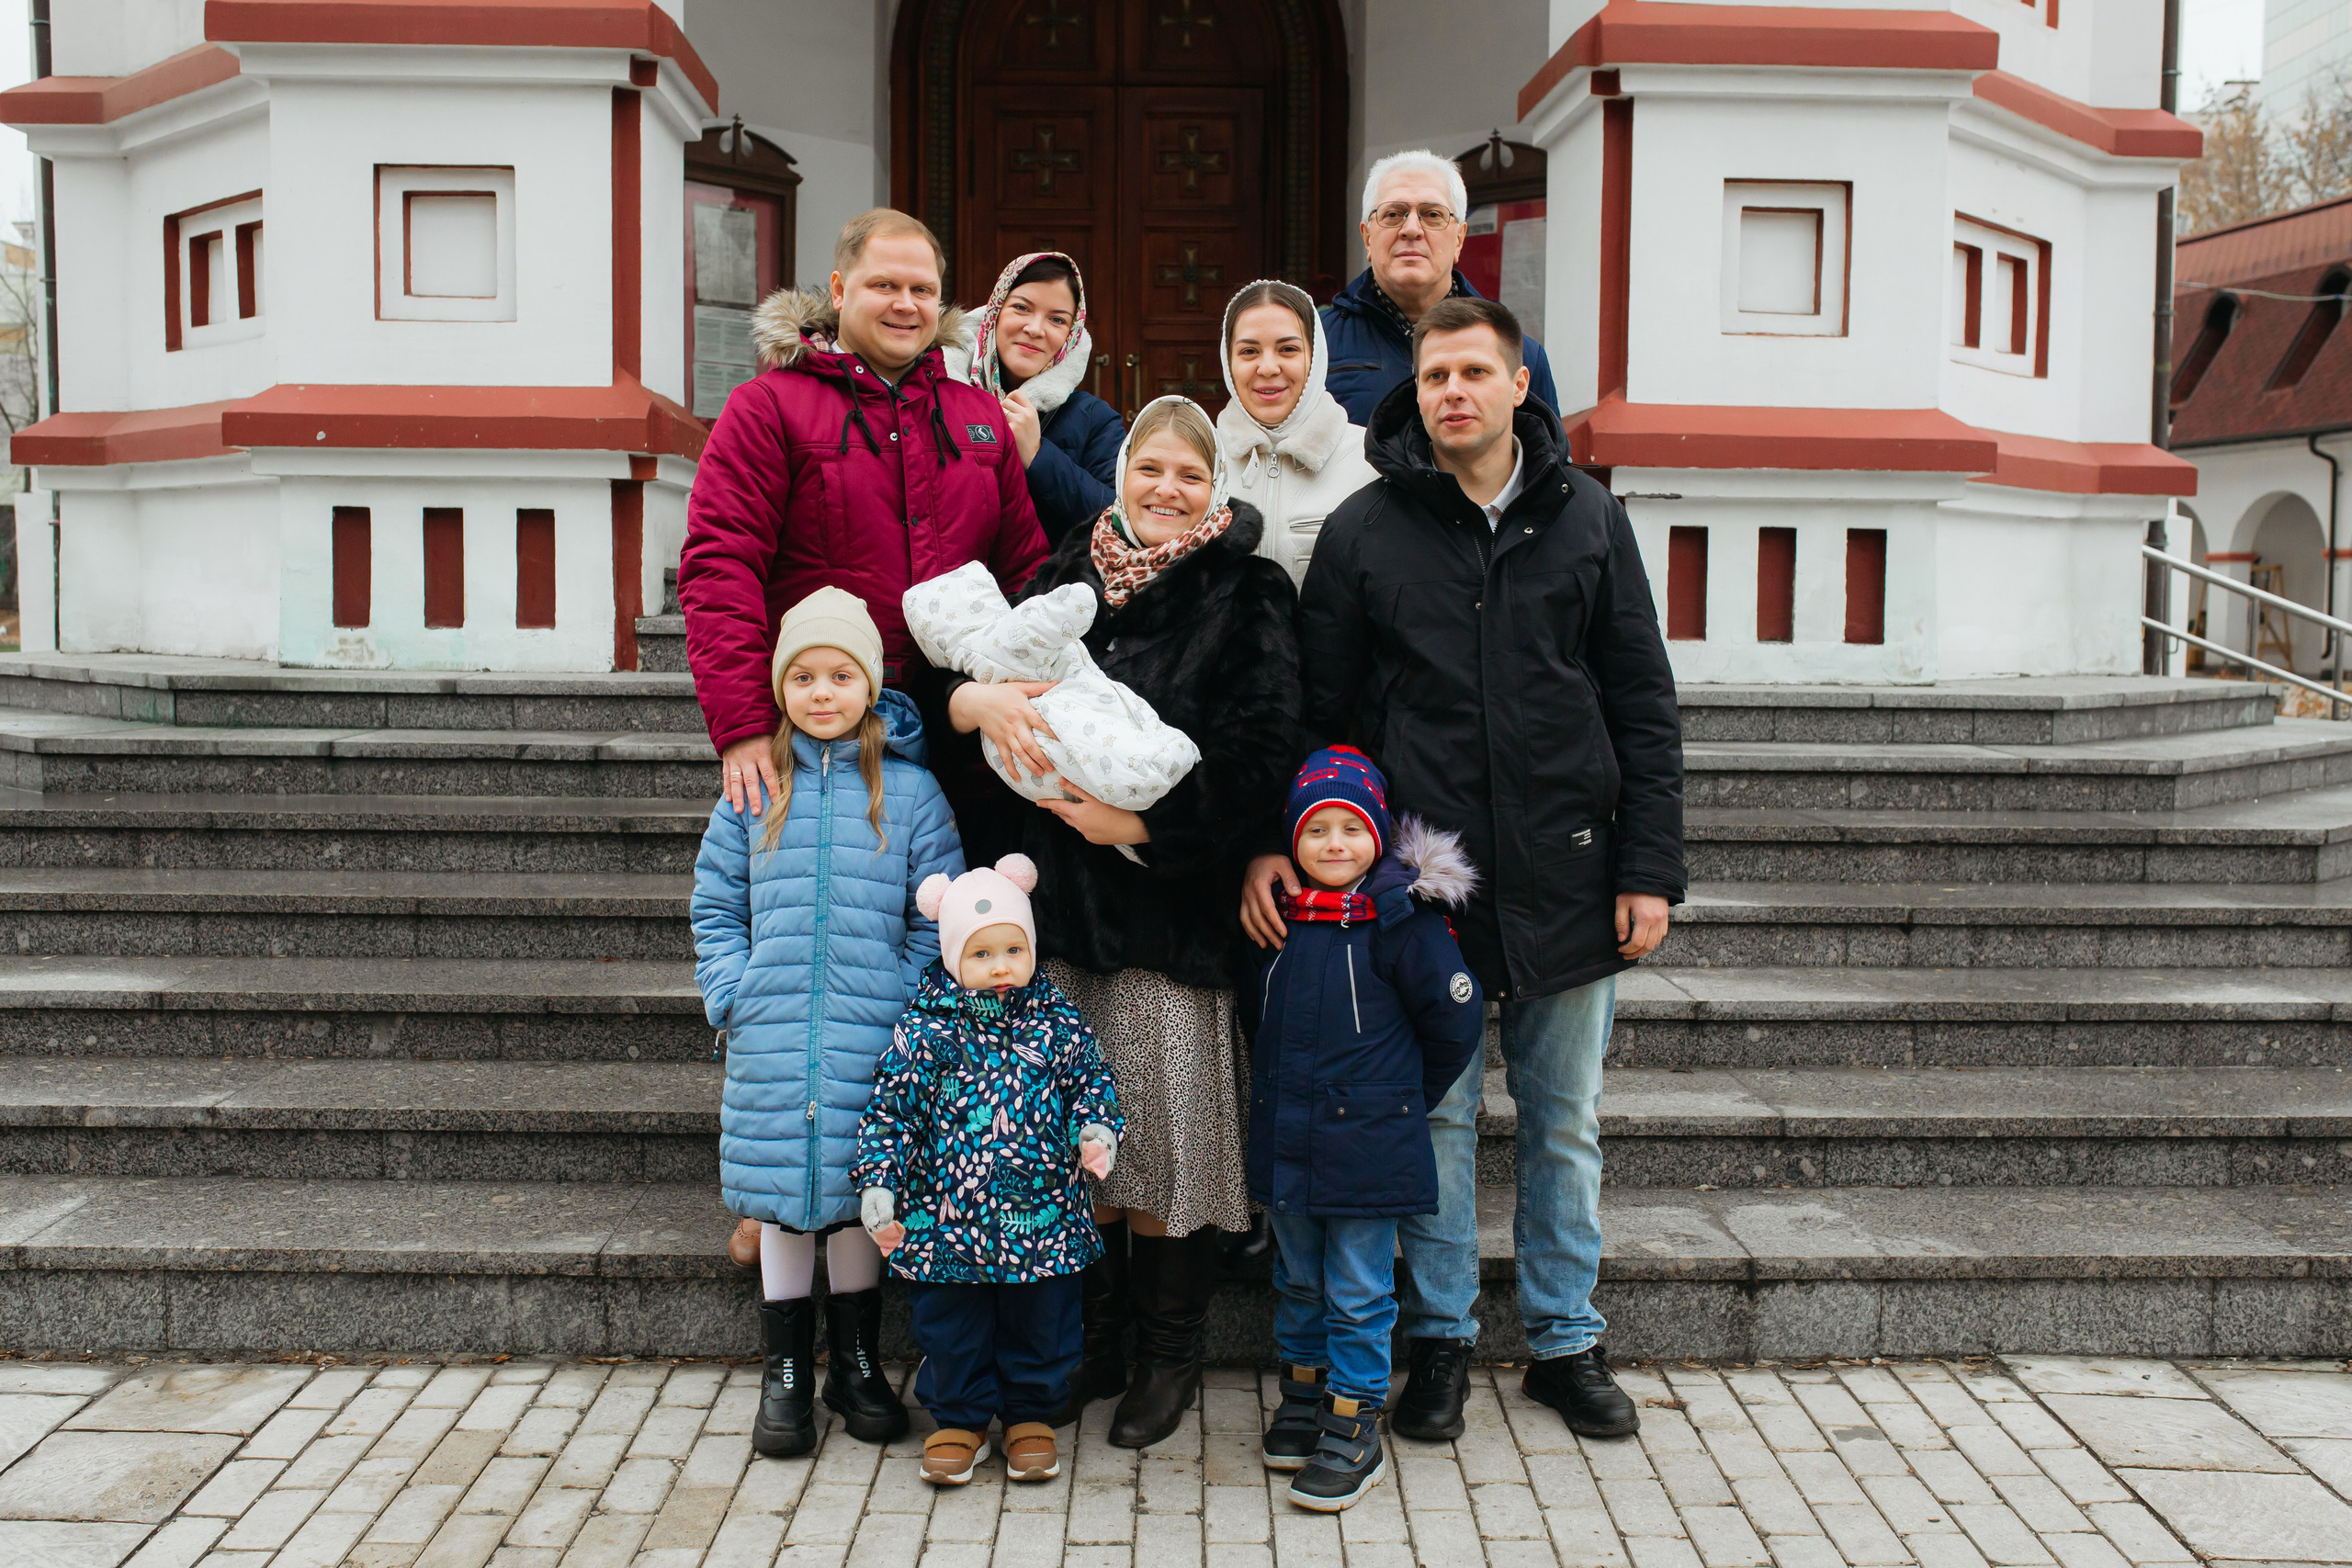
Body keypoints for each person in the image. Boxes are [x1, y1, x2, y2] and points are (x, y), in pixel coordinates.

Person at [1242, 298, 1684, 1441]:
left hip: (1571, 875)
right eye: (1436, 374)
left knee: (1563, 1120)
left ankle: (1563, 1341)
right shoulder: (1367, 530)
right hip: (1416, 887)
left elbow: (1640, 701)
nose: (1454, 392)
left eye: (1475, 372)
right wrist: (1315, 858)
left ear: (1518, 385)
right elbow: (1326, 718)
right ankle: (1437, 1342)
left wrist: (1649, 868)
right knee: (1432, 1122)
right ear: (1414, 390)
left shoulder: (1588, 519)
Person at [947, 396, 1302, 1450]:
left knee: (1165, 1148)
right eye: (1149, 468)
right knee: (1076, 1151)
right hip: (1054, 920)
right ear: (1119, 477)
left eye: (1189, 475)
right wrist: (975, 711)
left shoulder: (1249, 591)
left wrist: (1139, 823)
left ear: (1216, 489)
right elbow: (985, 691)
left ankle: (1166, 1355)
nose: (1165, 488)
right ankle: (1092, 1338)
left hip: (1171, 915)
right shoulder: (1063, 577)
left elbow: (1260, 753)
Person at [690, 588, 966, 1460]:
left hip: (870, 1031)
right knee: (782, 1199)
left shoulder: (912, 791)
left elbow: (940, 915)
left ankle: (855, 1359)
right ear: (780, 687)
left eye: (840, 674)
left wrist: (906, 998)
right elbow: (715, 907)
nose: (820, 691)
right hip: (771, 1031)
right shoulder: (751, 787)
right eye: (802, 675)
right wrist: (734, 991)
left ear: (871, 684)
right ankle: (785, 1370)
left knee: (859, 1195)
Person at [679, 207, 1048, 827]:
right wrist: (743, 723)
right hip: (827, 733)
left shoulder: (978, 419)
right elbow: (721, 567)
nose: (906, 304)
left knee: (971, 917)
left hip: (969, 735)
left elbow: (1028, 572)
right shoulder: (768, 408)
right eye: (884, 285)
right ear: (839, 289)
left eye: (922, 290)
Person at [1243, 747, 1484, 1512]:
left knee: (1357, 1287)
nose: (1336, 844)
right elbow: (1260, 1019)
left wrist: (1403, 1102)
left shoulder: (1403, 924)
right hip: (1293, 1139)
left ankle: (1354, 1421)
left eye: (1352, 827)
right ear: (1295, 839)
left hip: (1368, 1150)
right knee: (1300, 1278)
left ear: (1379, 835)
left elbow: (1457, 1021)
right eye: (1318, 830)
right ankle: (1305, 1395)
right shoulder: (1282, 922)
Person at [854, 855, 1124, 1486]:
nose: (1000, 965)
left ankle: (1032, 1411)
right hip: (947, 1218)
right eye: (981, 953)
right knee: (951, 1320)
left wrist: (1096, 1128)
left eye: (1012, 948)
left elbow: (1092, 1081)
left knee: (1045, 1317)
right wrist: (878, 1180)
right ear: (951, 957)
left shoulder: (1057, 1022)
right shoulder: (924, 1032)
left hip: (1042, 1215)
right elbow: (891, 1110)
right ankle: (960, 1417)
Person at [1319, 150, 1559, 425]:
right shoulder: (1314, 344)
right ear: (1367, 237)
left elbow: (1546, 463)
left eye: (1432, 214)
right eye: (1393, 214)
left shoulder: (1519, 352)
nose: (1411, 229)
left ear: (1459, 238)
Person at [950, 252, 1125, 546]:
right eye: (1021, 308)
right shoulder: (940, 399)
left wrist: (1037, 454)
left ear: (1072, 333)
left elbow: (1119, 520)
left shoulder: (1096, 419)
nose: (1035, 329)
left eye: (1057, 319)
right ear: (995, 313)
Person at [1217, 279, 1379, 588]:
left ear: (1315, 359)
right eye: (1249, 351)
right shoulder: (1199, 459)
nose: (1267, 367)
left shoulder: (1368, 460)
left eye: (1288, 349)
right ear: (1228, 361)